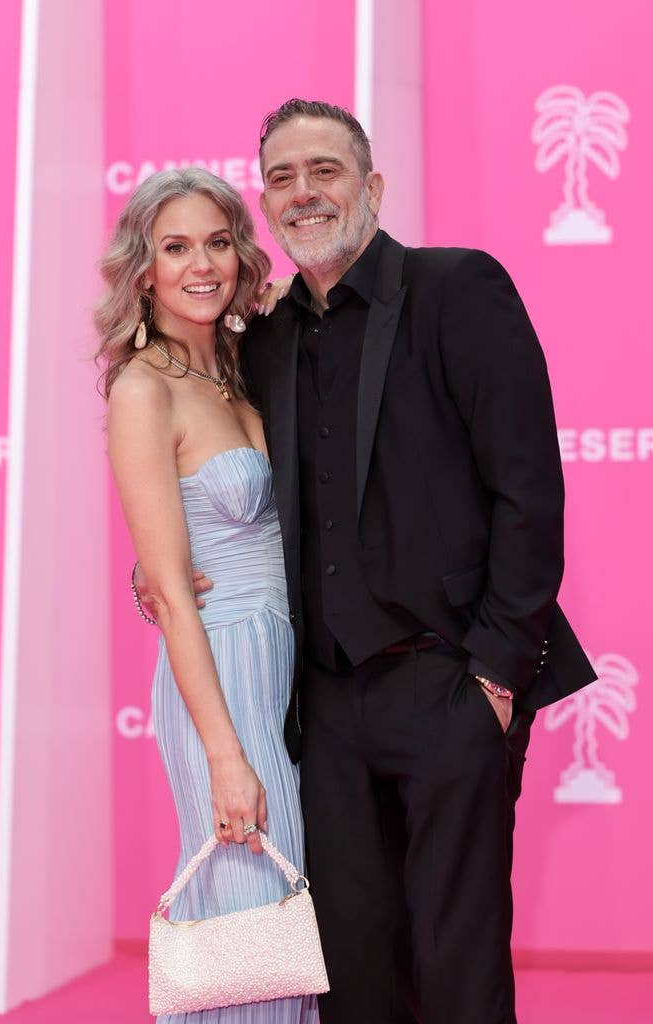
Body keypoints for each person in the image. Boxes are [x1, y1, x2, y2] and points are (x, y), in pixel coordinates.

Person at [231, 100, 596, 1024]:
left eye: (324, 170)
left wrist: (497, 677)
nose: (303, 192)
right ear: (266, 203)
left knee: (457, 959)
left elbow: (529, 489)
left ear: (372, 187)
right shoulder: (268, 337)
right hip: (325, 705)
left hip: (449, 683)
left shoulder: (457, 288)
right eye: (282, 177)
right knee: (352, 967)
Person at [95, 167, 318, 1024]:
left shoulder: (240, 364)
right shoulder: (141, 389)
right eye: (176, 246)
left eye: (218, 241)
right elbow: (177, 599)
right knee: (253, 941)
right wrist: (226, 756)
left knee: (288, 931)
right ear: (142, 268)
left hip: (289, 671)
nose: (202, 264)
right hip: (219, 676)